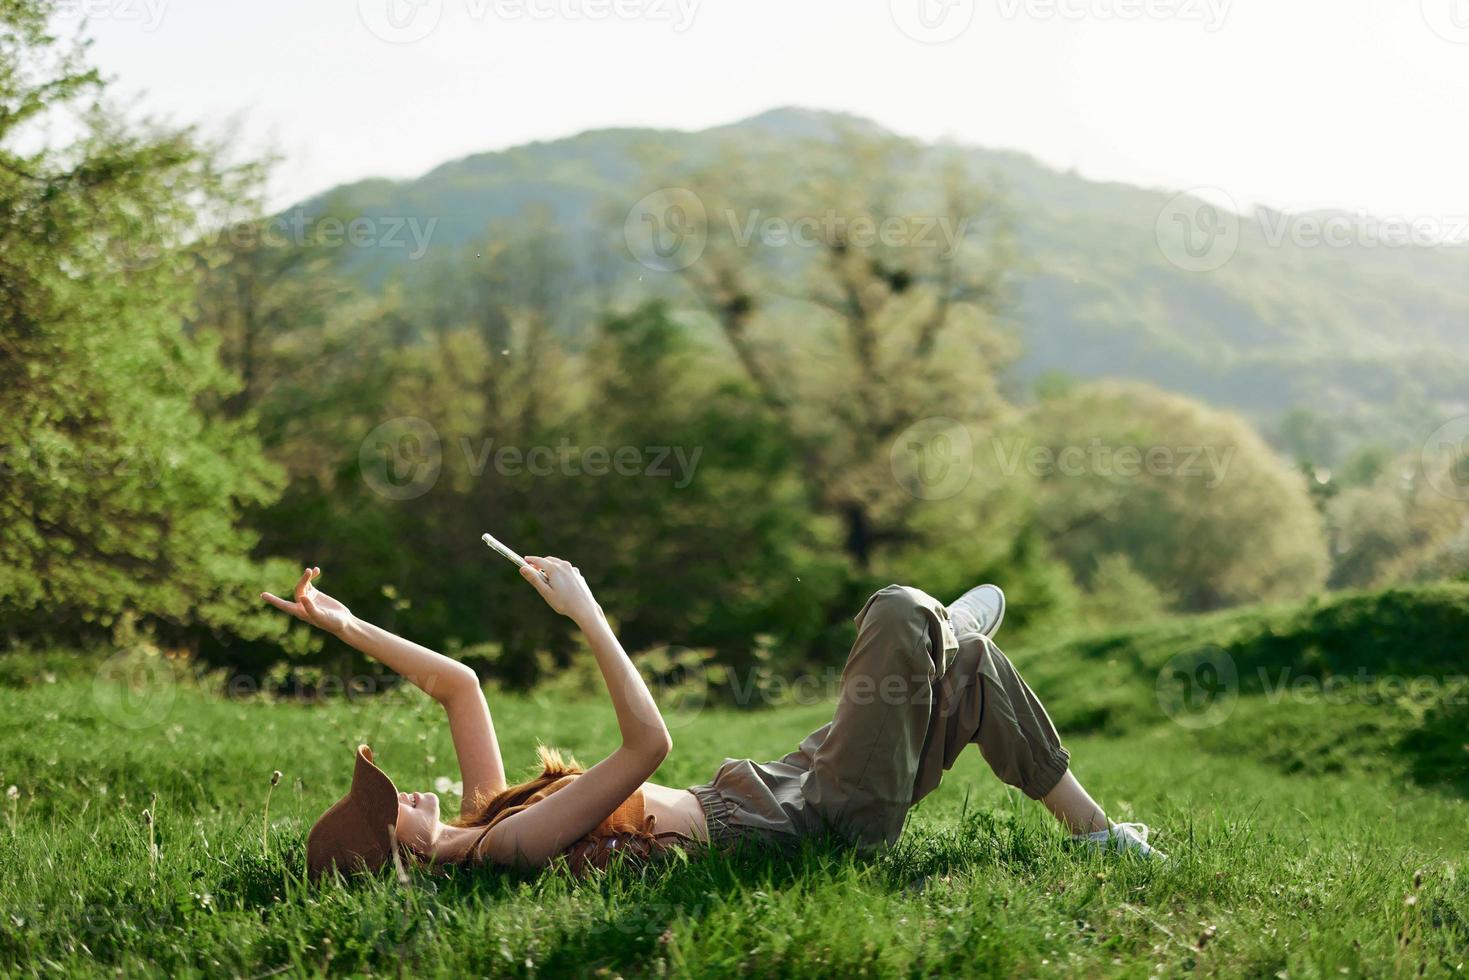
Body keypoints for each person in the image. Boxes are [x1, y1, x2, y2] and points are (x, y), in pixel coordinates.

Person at [261, 558, 1164, 880]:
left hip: (782, 786)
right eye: (396, 808)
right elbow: (649, 746)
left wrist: (346, 626)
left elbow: (459, 686)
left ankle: (1088, 827)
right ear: (403, 853)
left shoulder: (488, 811)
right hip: (808, 823)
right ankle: (930, 642)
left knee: (963, 666)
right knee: (895, 609)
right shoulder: (509, 848)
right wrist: (589, 616)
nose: (410, 792)